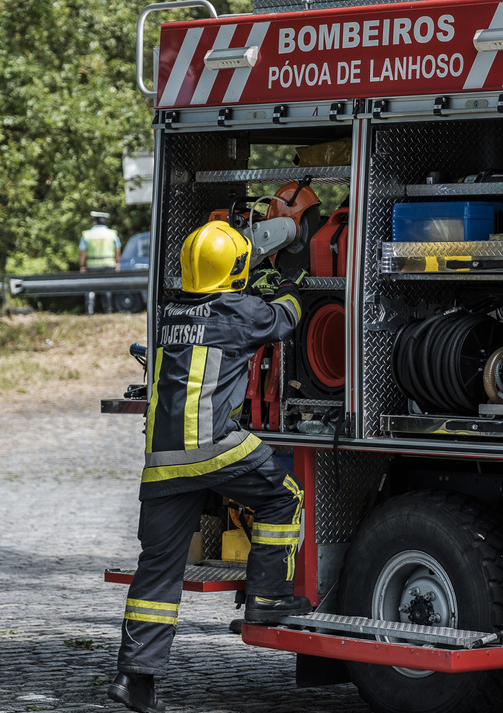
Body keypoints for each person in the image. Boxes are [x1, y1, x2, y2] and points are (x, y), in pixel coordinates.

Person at [109, 221, 310, 713]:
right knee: (284, 496)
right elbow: (286, 317)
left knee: (157, 573)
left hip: (162, 460)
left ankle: (135, 679)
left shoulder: (169, 312)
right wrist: (292, 274)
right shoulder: (240, 310)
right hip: (215, 449)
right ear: (236, 269)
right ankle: (267, 600)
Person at [79, 210, 122, 314]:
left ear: (95, 222)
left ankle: (90, 311)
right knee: (107, 289)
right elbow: (117, 249)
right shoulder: (112, 234)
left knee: (90, 289)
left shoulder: (87, 234)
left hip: (92, 266)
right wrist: (117, 262)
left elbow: (83, 251)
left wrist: (82, 265)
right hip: (109, 265)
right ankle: (108, 310)